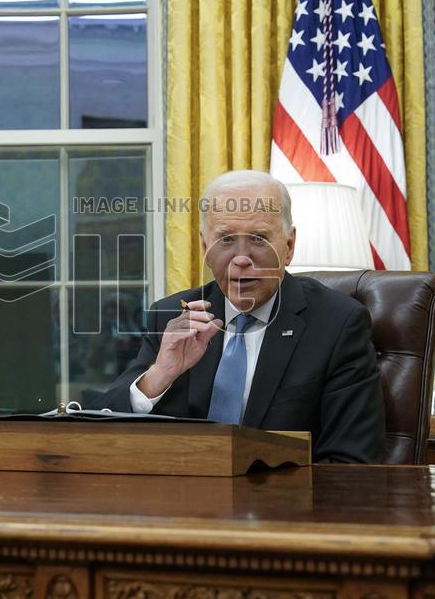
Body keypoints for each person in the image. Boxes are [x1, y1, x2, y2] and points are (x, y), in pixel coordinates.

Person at [95, 170, 385, 463]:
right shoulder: (171, 316)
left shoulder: (337, 324)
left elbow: (352, 462)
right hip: (184, 501)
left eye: (259, 238)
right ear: (205, 247)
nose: (241, 258)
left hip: (284, 504)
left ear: (288, 246)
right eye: (226, 239)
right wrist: (160, 374)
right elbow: (101, 428)